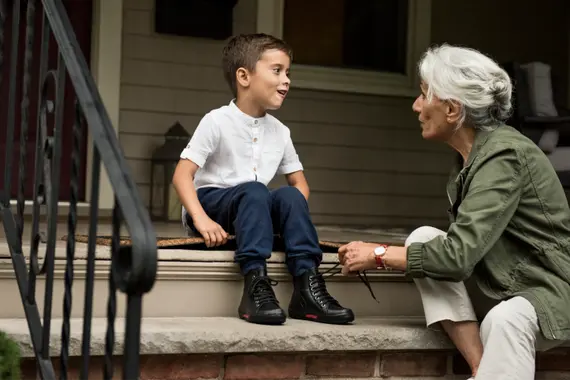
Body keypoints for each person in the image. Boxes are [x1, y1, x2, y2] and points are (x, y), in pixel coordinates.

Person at [337, 44, 570, 380]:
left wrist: (378, 254)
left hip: (547, 292)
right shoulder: (469, 159)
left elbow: (458, 257)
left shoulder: (504, 155)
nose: (416, 106)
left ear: (451, 108)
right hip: (501, 287)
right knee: (424, 238)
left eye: (423, 95)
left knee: (506, 319)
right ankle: (479, 367)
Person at [172, 33, 354, 326]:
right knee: (256, 191)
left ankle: (307, 286)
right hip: (212, 206)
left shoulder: (280, 131)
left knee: (289, 195)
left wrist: (287, 218)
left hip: (254, 209)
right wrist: (201, 220)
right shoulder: (217, 121)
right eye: (277, 71)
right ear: (244, 76)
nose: (287, 80)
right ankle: (255, 284)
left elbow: (300, 185)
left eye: (288, 73)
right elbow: (182, 176)